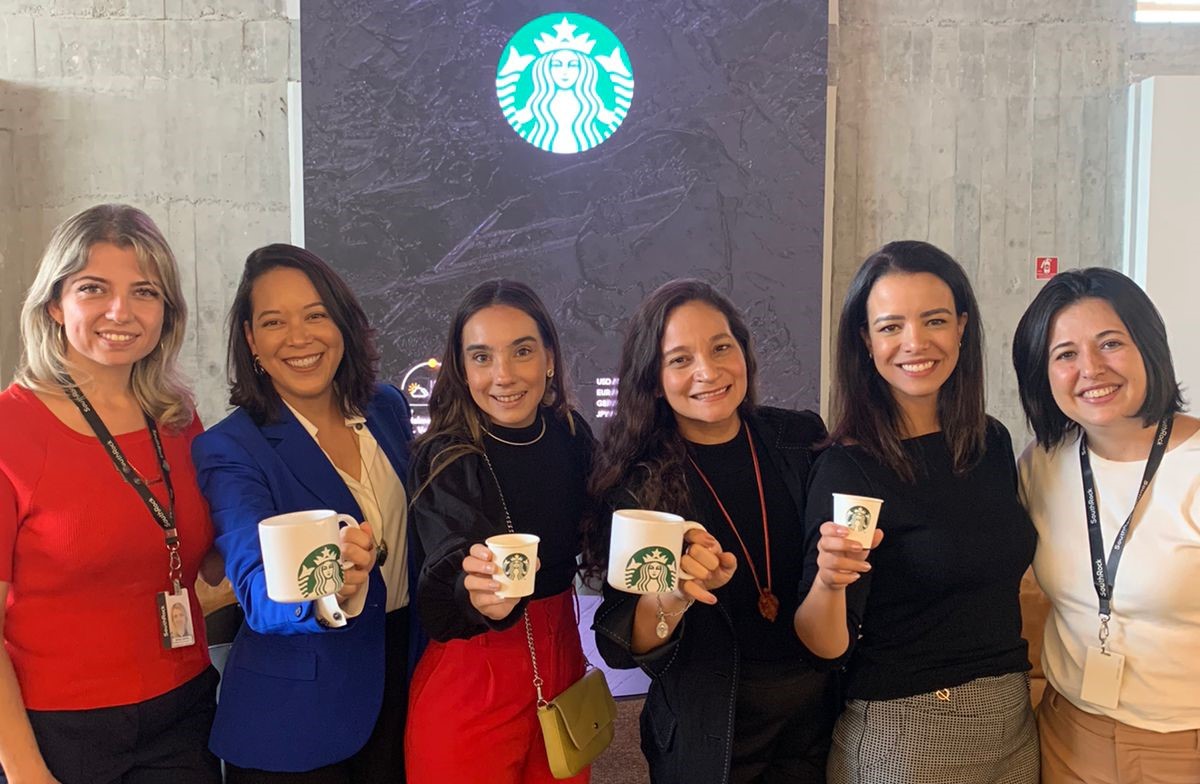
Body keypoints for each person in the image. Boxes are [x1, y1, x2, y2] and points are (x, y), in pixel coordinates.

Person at [794, 241, 1039, 784]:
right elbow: (823, 643)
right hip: (906, 732)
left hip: (1012, 719)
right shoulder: (848, 467)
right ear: (865, 339)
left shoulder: (989, 441)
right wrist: (830, 584)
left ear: (962, 327)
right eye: (890, 326)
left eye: (934, 320)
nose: (915, 343)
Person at [0, 204, 221, 783]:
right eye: (93, 288)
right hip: (57, 731)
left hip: (184, 710)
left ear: (166, 311)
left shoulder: (178, 419)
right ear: (55, 302)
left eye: (144, 292)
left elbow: (205, 558)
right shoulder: (10, 430)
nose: (120, 312)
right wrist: (25, 772)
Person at [586, 279, 836, 784]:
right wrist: (670, 598)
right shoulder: (641, 484)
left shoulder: (799, 438)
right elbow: (624, 641)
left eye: (722, 347)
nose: (708, 371)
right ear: (654, 380)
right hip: (710, 733)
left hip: (819, 722)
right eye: (680, 359)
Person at [191, 244, 414, 782]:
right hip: (295, 720)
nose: (300, 337)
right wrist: (327, 592)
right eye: (274, 322)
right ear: (251, 341)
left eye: (316, 314)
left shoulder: (386, 406)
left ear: (342, 320)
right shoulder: (232, 447)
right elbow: (255, 588)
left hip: (404, 680)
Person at [1012, 267, 1200, 783]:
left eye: (1110, 343)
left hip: (1182, 745)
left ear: (1149, 348)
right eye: (1065, 354)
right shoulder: (1043, 463)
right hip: (1065, 732)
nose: (1091, 369)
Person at [404, 280, 594, 784]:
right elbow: (445, 567)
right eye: (482, 357)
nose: (503, 375)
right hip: (473, 670)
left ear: (549, 359)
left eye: (522, 351)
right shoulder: (444, 454)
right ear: (462, 370)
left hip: (563, 655)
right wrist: (477, 596)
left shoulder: (571, 434)